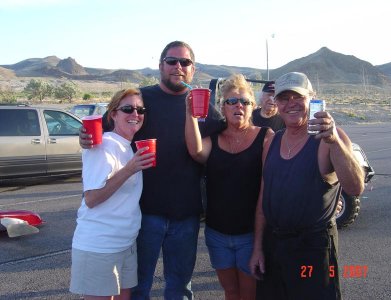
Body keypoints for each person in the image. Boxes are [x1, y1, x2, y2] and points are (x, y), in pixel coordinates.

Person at [79, 41, 224, 299]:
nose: (178, 67)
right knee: (138, 287)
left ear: (193, 69)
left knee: (180, 287)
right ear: (160, 66)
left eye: (185, 62)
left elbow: (224, 135)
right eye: (171, 61)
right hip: (145, 213)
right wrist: (85, 137)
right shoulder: (141, 100)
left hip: (186, 214)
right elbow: (101, 128)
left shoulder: (202, 106)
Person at [249, 72, 365, 300]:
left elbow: (355, 187)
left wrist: (334, 141)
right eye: (284, 97)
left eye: (297, 96)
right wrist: (258, 248)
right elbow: (264, 197)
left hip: (312, 249)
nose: (290, 103)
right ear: (276, 104)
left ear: (312, 99)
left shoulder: (329, 138)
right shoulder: (272, 141)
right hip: (275, 246)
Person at [185, 73, 274, 300]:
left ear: (253, 106)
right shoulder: (214, 139)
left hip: (250, 234)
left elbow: (267, 191)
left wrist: (259, 244)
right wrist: (191, 114)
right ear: (222, 107)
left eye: (244, 101)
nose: (238, 106)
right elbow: (196, 151)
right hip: (217, 234)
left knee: (249, 294)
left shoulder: (265, 137)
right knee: (231, 292)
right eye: (231, 101)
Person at [70, 88, 155, 300]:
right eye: (127, 109)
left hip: (125, 243)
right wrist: (129, 169)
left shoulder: (127, 146)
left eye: (140, 109)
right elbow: (91, 199)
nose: (135, 114)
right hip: (100, 245)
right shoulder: (103, 146)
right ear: (113, 115)